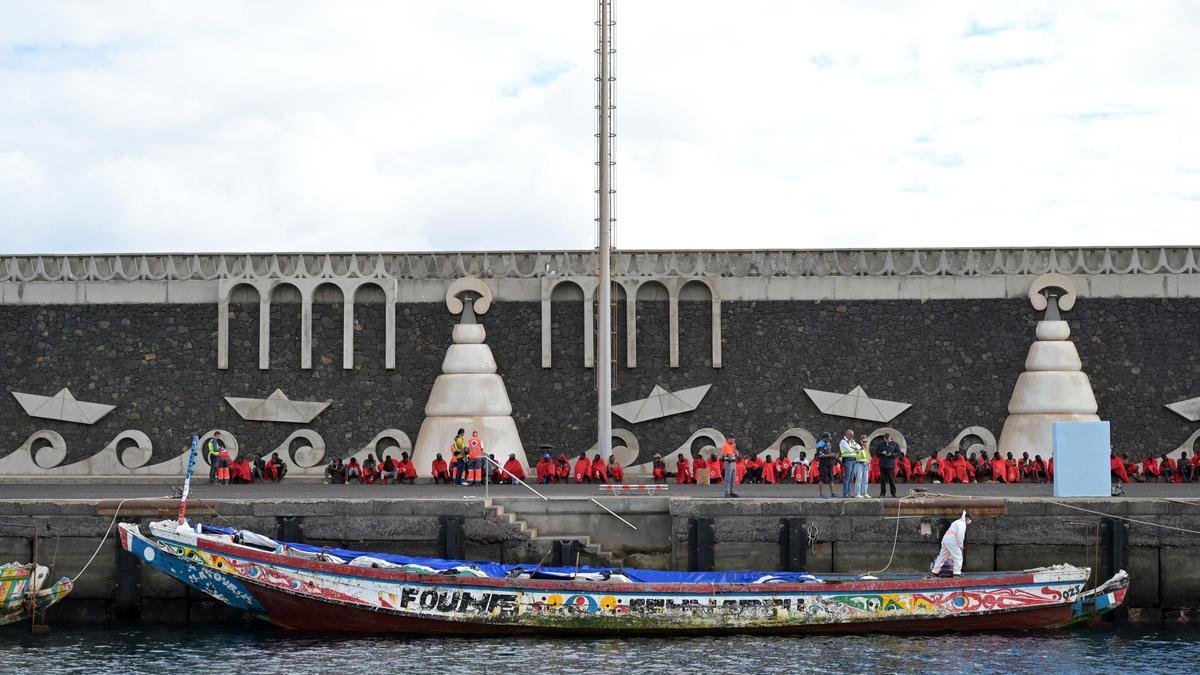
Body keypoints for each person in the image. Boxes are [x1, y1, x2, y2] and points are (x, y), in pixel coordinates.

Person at [931, 511, 972, 577]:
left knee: (942, 556)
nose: (969, 521)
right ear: (967, 518)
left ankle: (934, 572)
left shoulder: (956, 522)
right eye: (969, 520)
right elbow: (960, 536)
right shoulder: (962, 524)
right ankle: (957, 573)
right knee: (958, 557)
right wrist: (960, 545)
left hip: (945, 539)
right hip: (952, 540)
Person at [876, 434, 901, 498]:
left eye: (888, 439)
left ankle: (893, 493)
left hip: (891, 465)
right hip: (882, 465)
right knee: (883, 480)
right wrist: (882, 453)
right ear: (884, 438)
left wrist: (891, 454)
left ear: (890, 438)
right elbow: (877, 452)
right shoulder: (880, 444)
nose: (887, 441)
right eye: (885, 439)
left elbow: (899, 453)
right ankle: (882, 494)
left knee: (891, 480)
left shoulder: (895, 444)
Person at [839, 429, 861, 498]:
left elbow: (859, 447)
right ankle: (845, 494)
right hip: (847, 460)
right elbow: (848, 450)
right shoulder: (843, 441)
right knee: (847, 477)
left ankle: (848, 493)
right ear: (847, 434)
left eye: (853, 435)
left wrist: (854, 448)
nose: (852, 437)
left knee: (851, 478)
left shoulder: (852, 441)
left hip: (853, 459)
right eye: (851, 435)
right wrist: (855, 449)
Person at [816, 433, 838, 498]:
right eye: (828, 438)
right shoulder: (819, 445)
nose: (829, 440)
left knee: (831, 478)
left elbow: (830, 452)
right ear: (824, 438)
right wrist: (831, 455)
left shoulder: (829, 444)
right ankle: (821, 494)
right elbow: (821, 455)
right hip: (823, 464)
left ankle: (833, 493)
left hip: (830, 463)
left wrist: (834, 455)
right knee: (822, 479)